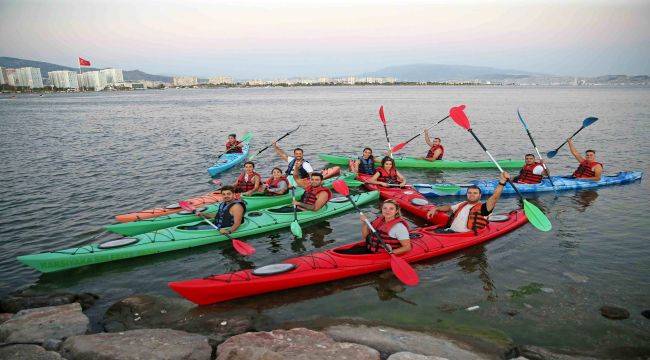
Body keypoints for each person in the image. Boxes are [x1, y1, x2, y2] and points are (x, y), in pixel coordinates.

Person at [426, 172, 510, 234]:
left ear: (480, 196)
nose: (472, 195)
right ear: (466, 194)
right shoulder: (463, 204)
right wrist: (435, 208)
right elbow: (449, 208)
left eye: (475, 193)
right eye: (469, 193)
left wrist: (502, 182)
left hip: (462, 237)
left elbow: (494, 197)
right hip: (448, 232)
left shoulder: (484, 208)